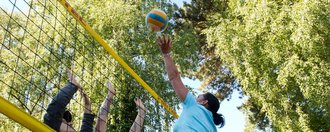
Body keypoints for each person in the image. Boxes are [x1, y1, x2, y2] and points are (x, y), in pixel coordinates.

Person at [157, 35, 225, 131]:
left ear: (204, 102)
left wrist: (166, 54)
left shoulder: (193, 104)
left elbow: (174, 77)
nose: (197, 96)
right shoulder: (213, 129)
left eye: (200, 96)